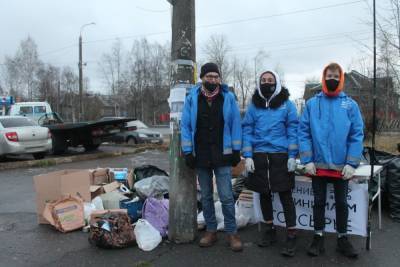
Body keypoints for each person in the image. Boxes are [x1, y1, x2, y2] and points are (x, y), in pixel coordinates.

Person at [298, 62, 364, 258]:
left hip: (341, 167)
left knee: (342, 203)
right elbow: (303, 133)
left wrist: (352, 164)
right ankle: (318, 237)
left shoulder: (350, 105)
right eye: (329, 76)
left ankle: (342, 239)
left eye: (336, 76)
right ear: (323, 77)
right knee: (318, 202)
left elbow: (357, 134)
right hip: (317, 166)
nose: (332, 79)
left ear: (341, 78)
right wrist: (307, 159)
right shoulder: (312, 103)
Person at [180, 62, 243, 252]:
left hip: (222, 154)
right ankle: (211, 230)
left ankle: (232, 232)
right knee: (206, 196)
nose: (213, 80)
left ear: (219, 79)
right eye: (209, 77)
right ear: (202, 78)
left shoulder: (228, 97)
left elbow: (235, 125)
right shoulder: (192, 98)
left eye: (216, 77)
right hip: (201, 154)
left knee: (225, 196)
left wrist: (236, 151)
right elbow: (186, 126)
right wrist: (188, 152)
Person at [242, 70, 299, 257]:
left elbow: (293, 130)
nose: (267, 83)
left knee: (285, 195)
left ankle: (291, 234)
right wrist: (248, 155)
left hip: (280, 156)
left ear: (277, 82)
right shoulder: (253, 106)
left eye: (270, 80)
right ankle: (269, 229)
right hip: (259, 156)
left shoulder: (287, 105)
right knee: (264, 195)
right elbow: (247, 130)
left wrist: (292, 155)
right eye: (264, 80)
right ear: (259, 83)